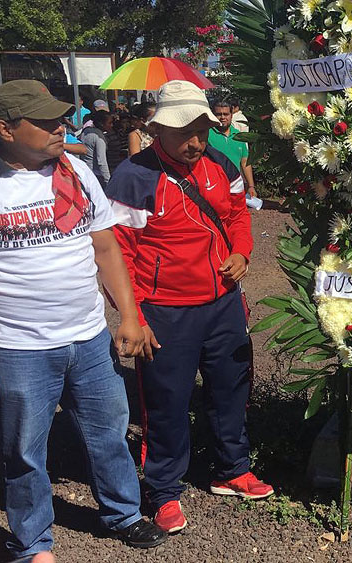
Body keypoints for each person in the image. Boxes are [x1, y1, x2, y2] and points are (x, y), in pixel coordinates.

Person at [0, 79, 167, 560]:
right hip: (17, 348)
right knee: (24, 451)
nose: (59, 127)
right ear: (5, 129)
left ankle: (123, 513)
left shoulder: (76, 170)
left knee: (109, 432)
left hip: (88, 338)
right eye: (44, 121)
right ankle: (32, 543)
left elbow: (105, 247)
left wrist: (129, 315)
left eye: (60, 117)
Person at [105, 80, 272, 535]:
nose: (196, 142)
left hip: (223, 303)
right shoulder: (133, 176)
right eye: (184, 132)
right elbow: (118, 253)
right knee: (166, 401)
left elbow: (237, 215)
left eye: (201, 130)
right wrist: (134, 317)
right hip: (165, 310)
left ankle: (232, 469)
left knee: (231, 388)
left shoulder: (221, 162)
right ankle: (163, 489)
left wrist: (242, 252)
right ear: (158, 129)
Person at [209, 99, 257, 199]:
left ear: (231, 115)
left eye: (226, 114)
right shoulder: (207, 135)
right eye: (219, 114)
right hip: (213, 188)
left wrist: (251, 186)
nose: (222, 117)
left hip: (235, 187)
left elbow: (245, 162)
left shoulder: (239, 136)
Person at [79, 110, 113, 186]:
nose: (112, 125)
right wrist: (108, 181)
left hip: (85, 173)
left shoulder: (85, 131)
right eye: (109, 123)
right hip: (96, 176)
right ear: (101, 124)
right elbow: (101, 162)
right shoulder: (99, 137)